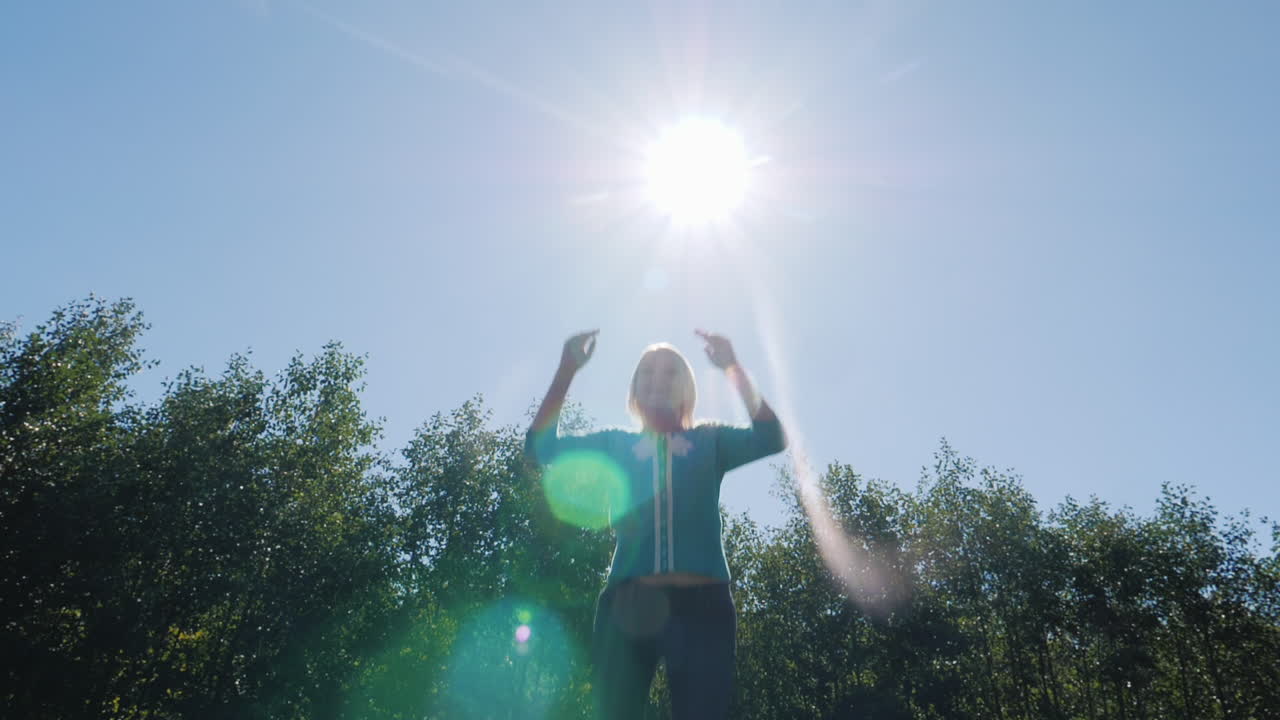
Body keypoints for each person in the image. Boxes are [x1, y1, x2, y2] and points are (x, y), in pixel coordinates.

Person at [526, 329, 786, 720]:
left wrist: (732, 367)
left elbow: (771, 437)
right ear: (634, 390)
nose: (657, 380)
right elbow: (539, 448)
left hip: (704, 610)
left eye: (669, 372)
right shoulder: (613, 446)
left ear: (687, 387)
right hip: (627, 608)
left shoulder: (712, 441)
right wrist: (567, 369)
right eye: (646, 373)